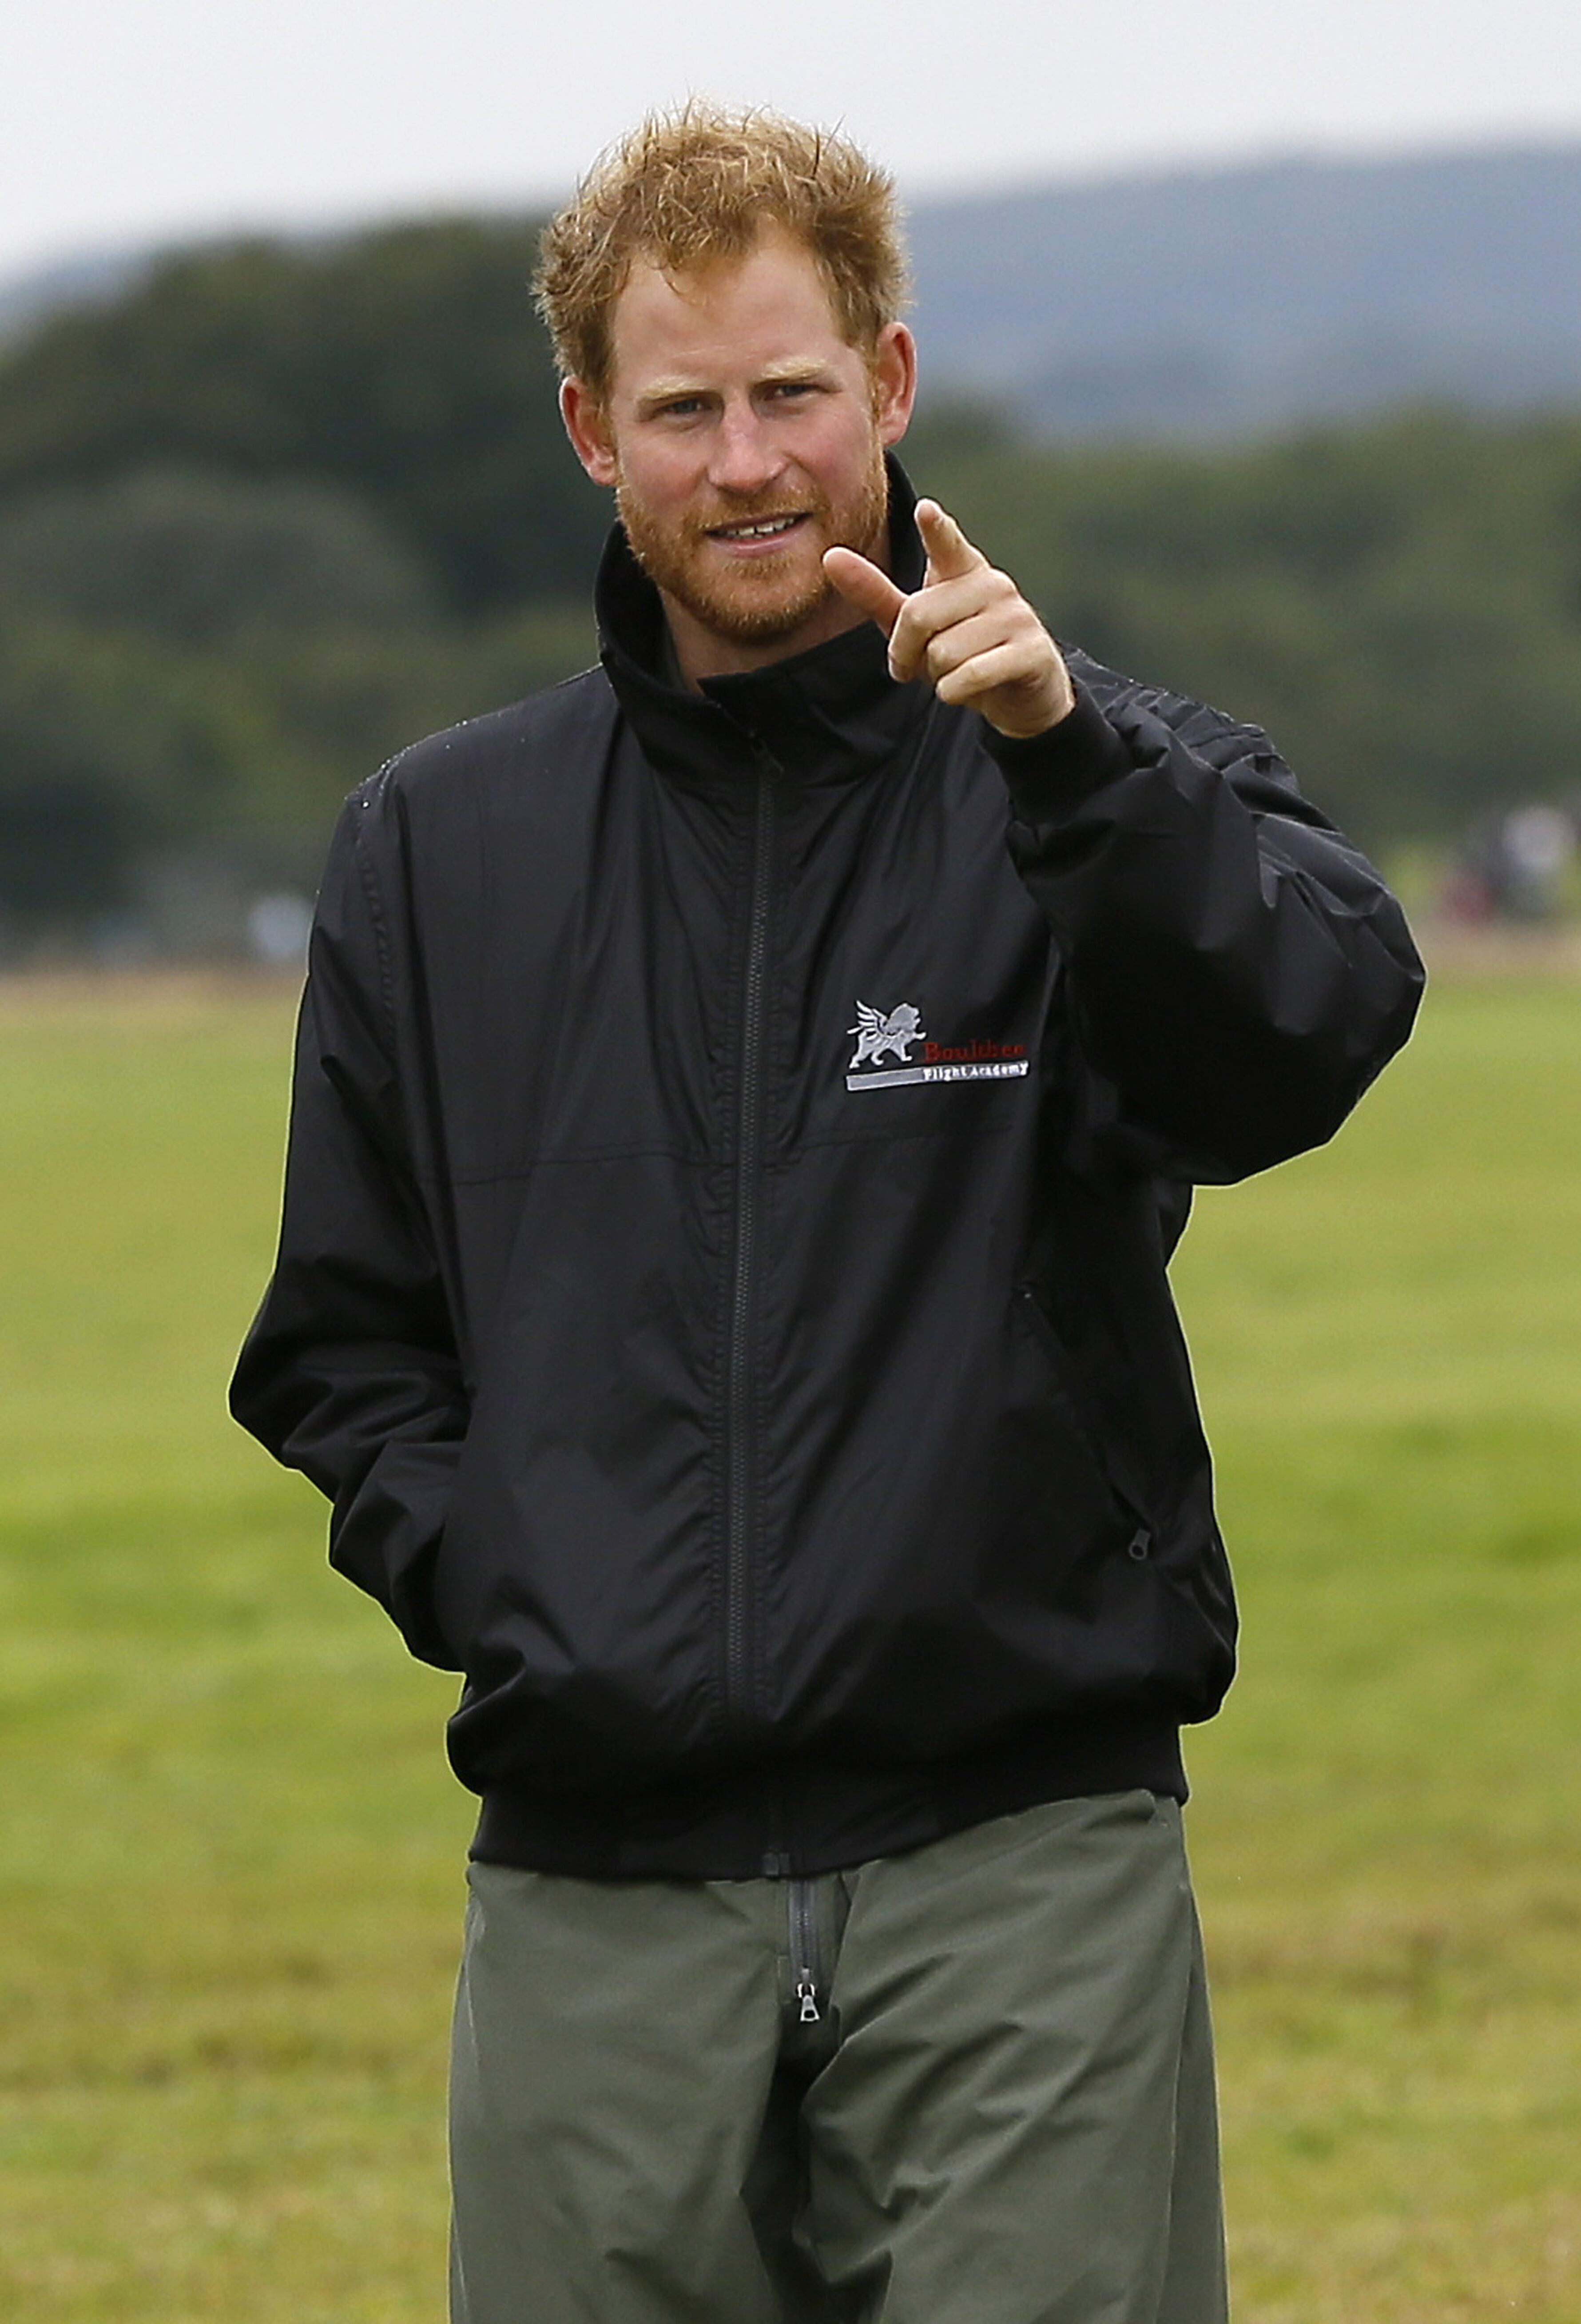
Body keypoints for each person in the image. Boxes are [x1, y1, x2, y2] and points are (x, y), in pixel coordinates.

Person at [230, 103, 1423, 2324]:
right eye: (684, 410)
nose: (749, 462)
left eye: (791, 393)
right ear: (592, 431)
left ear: (888, 382)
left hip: (1022, 1862)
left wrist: (1068, 770)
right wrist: (521, 1585)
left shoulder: (1091, 764)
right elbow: (342, 1346)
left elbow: (1303, 1043)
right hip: (599, 1891)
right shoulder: (436, 846)